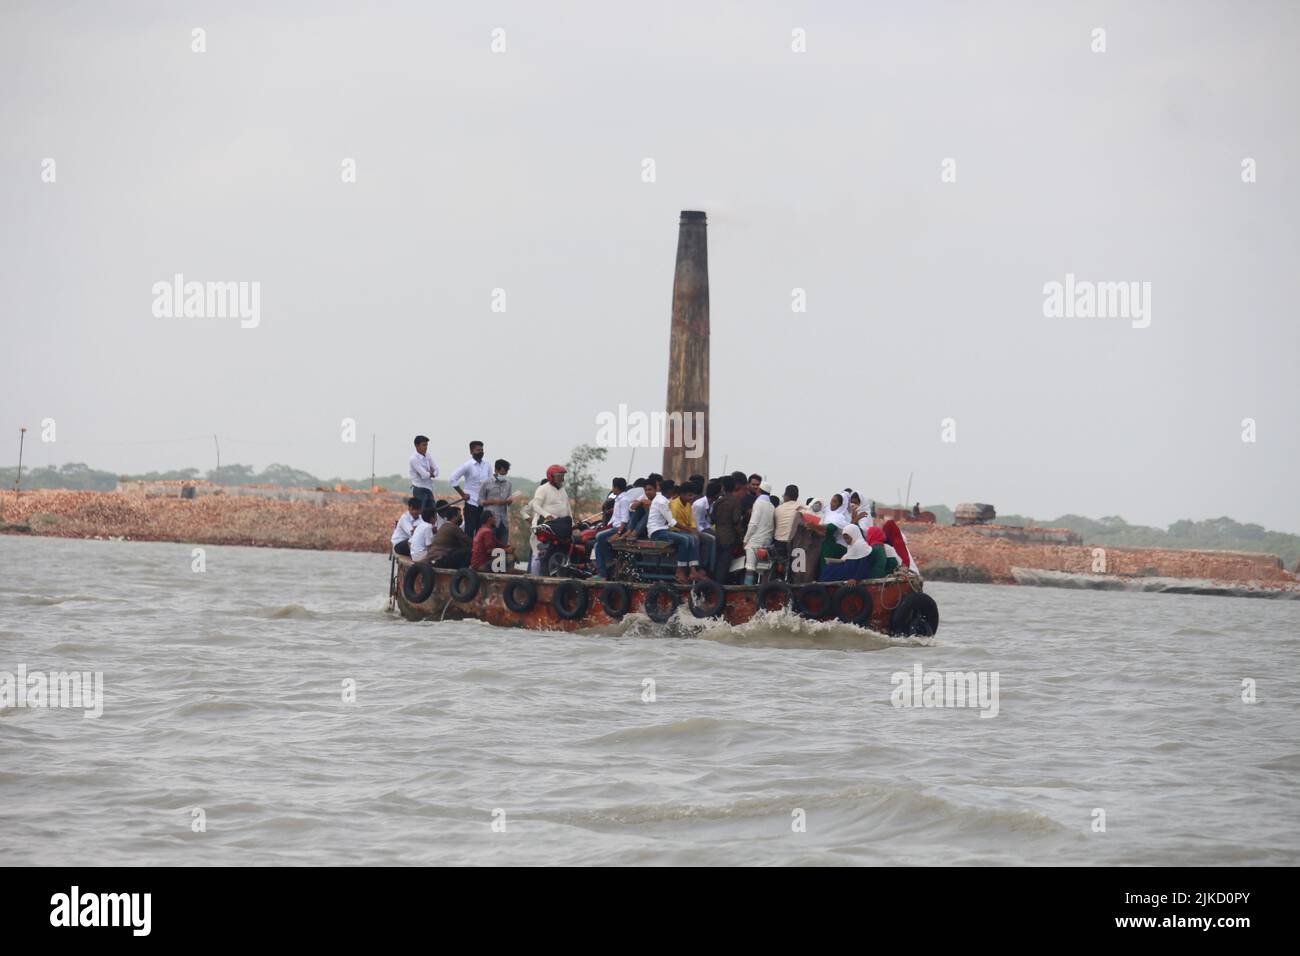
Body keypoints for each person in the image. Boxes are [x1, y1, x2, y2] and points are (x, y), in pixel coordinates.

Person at [645, 478, 705, 584]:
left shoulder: (664, 500)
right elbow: (672, 522)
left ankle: (692, 571)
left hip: (663, 530)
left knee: (690, 538)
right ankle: (679, 571)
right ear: (670, 491)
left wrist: (690, 531)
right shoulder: (662, 501)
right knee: (684, 539)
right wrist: (689, 529)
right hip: (656, 532)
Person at [527, 465, 572, 575]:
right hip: (545, 525)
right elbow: (535, 506)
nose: (562, 478)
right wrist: (546, 514)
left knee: (558, 550)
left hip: (560, 526)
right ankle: (535, 577)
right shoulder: (543, 489)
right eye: (559, 476)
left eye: (562, 476)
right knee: (538, 554)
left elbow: (567, 506)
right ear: (551, 477)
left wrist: (573, 521)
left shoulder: (562, 489)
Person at [449, 440, 493, 540]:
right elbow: (453, 479)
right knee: (469, 530)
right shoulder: (468, 465)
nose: (481, 452)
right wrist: (462, 494)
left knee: (480, 531)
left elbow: (491, 481)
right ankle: (468, 553)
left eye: (482, 450)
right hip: (471, 502)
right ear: (471, 451)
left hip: (482, 503)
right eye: (478, 450)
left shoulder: (487, 464)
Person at [670, 480, 715, 574]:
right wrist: (691, 531)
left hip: (688, 530)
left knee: (710, 539)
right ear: (682, 494)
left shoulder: (688, 505)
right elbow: (674, 525)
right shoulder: (674, 505)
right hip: (676, 531)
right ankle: (693, 570)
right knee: (695, 538)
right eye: (689, 495)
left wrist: (694, 529)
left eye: (692, 495)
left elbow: (692, 521)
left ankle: (703, 567)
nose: (692, 497)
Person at [710, 475, 746, 582]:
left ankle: (714, 584)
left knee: (717, 561)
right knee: (724, 563)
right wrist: (742, 536)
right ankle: (719, 586)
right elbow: (736, 521)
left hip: (717, 535)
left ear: (723, 487)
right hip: (729, 537)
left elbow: (713, 518)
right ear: (734, 486)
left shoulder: (718, 501)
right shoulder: (735, 501)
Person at [592, 477, 630, 580]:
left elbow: (625, 519)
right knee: (597, 546)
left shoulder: (624, 500)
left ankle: (609, 559)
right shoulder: (618, 499)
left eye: (613, 486)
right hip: (614, 527)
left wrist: (618, 533)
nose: (612, 488)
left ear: (617, 488)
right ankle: (602, 574)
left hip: (620, 528)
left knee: (599, 537)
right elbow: (614, 518)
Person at [742, 481, 776, 585]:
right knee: (762, 570)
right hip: (766, 542)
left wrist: (746, 539)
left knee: (750, 568)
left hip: (755, 541)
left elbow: (753, 523)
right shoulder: (772, 506)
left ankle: (747, 592)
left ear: (759, 491)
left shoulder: (758, 503)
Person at [479, 459, 513, 547]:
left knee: (503, 547)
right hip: (491, 520)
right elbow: (479, 501)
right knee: (490, 547)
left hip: (504, 520)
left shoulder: (508, 483)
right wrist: (492, 502)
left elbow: (509, 499)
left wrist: (509, 501)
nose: (504, 475)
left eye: (505, 473)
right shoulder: (486, 483)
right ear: (496, 470)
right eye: (502, 473)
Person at [408, 435, 438, 510]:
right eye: (423, 445)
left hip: (429, 488)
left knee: (431, 513)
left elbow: (437, 471)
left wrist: (430, 473)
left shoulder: (428, 456)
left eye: (426, 445)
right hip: (419, 490)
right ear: (417, 446)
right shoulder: (413, 459)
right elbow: (424, 475)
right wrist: (430, 473)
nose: (426, 447)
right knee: (421, 513)